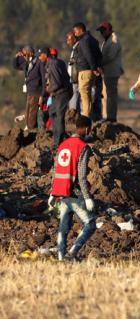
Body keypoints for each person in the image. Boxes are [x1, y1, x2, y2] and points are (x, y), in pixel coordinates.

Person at [48, 115, 96, 261]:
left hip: (61, 192)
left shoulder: (63, 145)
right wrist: (87, 197)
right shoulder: (83, 147)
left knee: (64, 227)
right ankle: (72, 253)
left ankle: (61, 256)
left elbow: (56, 170)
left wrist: (53, 192)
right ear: (87, 128)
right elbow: (81, 176)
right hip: (74, 193)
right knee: (90, 224)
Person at [39, 47, 73, 147]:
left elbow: (57, 83)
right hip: (55, 94)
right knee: (52, 114)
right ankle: (57, 139)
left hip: (61, 93)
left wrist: (46, 91)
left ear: (45, 55)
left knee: (59, 117)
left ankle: (59, 142)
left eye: (40, 55)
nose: (40, 57)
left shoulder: (53, 64)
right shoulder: (50, 64)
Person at [72, 22, 102, 118]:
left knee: (84, 95)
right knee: (88, 95)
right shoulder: (93, 39)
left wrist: (93, 68)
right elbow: (99, 55)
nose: (75, 34)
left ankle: (86, 117)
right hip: (91, 71)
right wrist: (96, 67)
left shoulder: (84, 41)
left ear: (80, 30)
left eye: (75, 31)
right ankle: (89, 116)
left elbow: (88, 55)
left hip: (85, 71)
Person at [13, 45, 46, 130]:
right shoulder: (26, 63)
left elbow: (43, 79)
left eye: (25, 54)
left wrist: (42, 95)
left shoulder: (39, 62)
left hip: (36, 92)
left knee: (32, 117)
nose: (23, 57)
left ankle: (32, 134)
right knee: (28, 116)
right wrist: (16, 57)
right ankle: (31, 131)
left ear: (30, 53)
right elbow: (16, 66)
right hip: (29, 92)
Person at [97, 21, 123, 122]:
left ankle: (111, 117)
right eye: (100, 31)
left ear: (108, 30)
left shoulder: (114, 40)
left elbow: (110, 56)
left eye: (103, 30)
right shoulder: (107, 40)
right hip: (108, 72)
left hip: (112, 72)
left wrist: (98, 63)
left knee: (111, 96)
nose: (101, 33)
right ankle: (107, 116)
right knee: (107, 95)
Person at [66, 32, 81, 113]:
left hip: (76, 79)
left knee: (74, 101)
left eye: (68, 39)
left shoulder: (78, 48)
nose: (67, 42)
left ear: (74, 39)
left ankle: (74, 116)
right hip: (73, 79)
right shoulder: (74, 49)